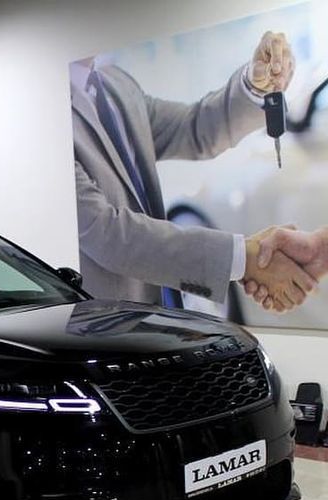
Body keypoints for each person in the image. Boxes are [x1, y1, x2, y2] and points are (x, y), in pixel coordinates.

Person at [70, 31, 314, 312]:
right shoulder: (46, 118)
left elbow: (194, 127)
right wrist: (244, 258)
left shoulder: (114, 85)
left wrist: (254, 85)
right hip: (102, 328)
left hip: (157, 316)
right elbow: (108, 233)